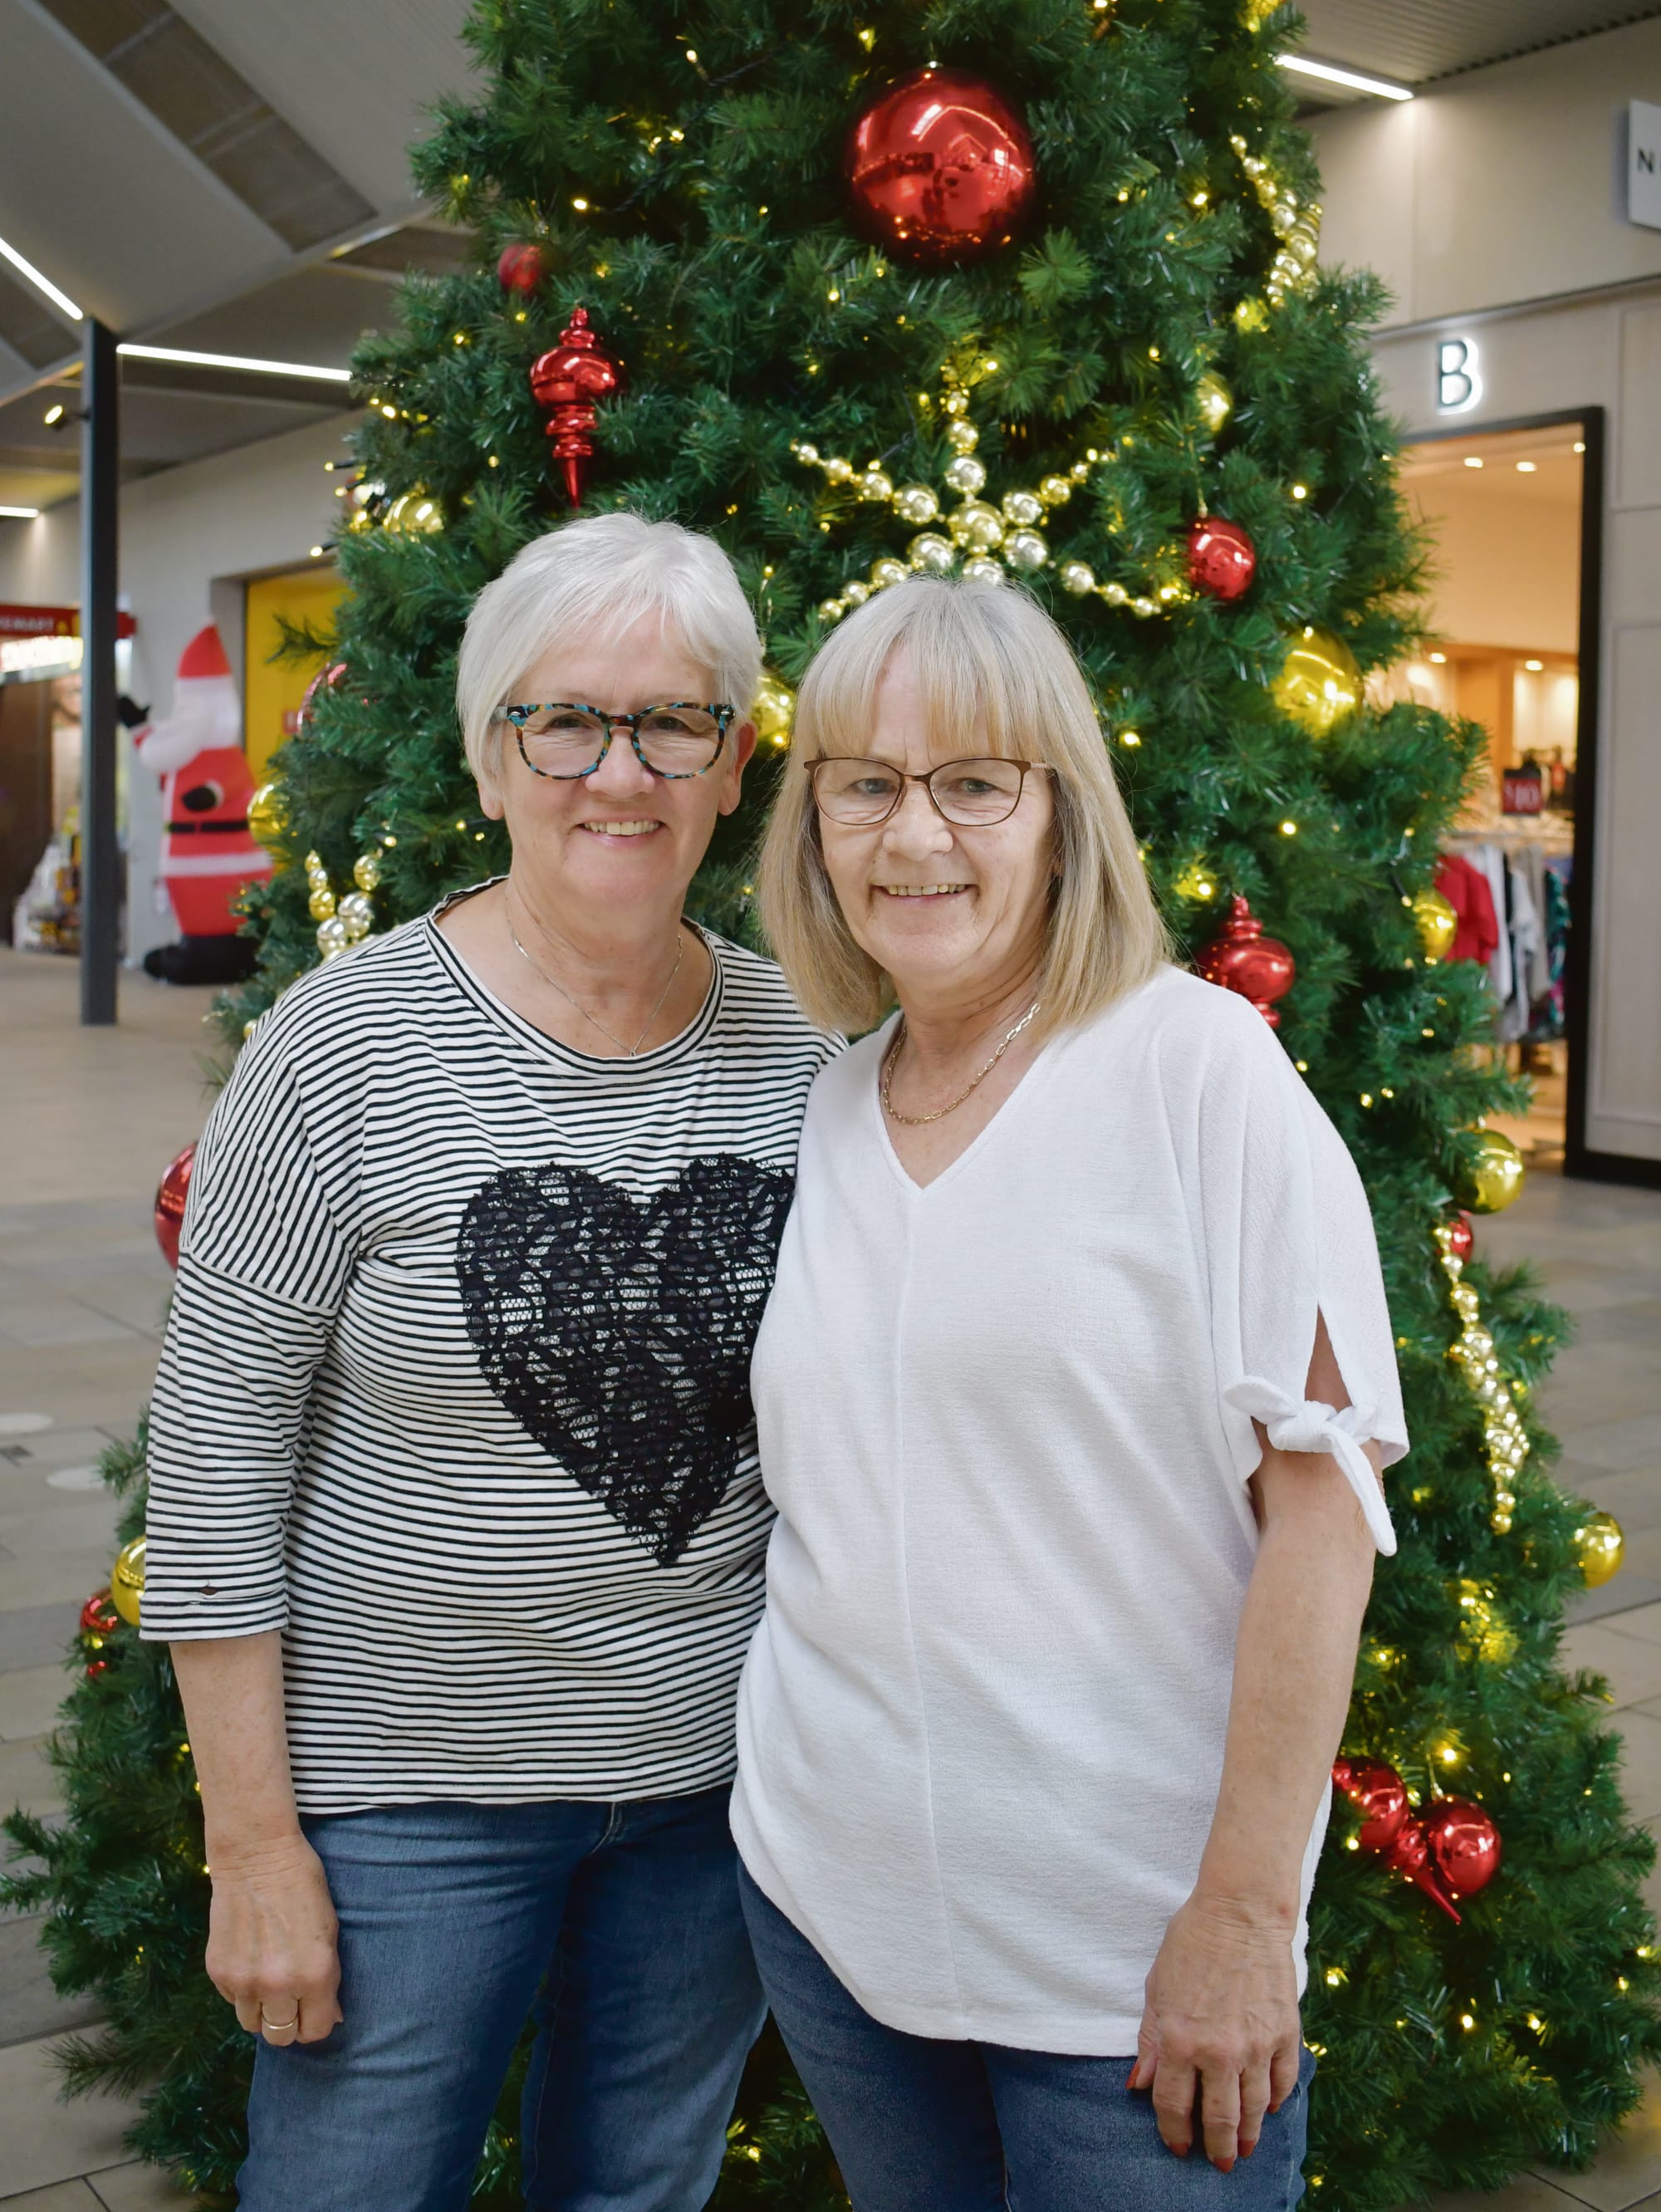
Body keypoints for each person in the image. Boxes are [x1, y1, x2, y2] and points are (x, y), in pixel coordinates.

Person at [142, 513, 840, 2212]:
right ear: (490, 754)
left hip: (706, 1792)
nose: (621, 770)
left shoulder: (806, 1049)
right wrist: (254, 1849)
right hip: (402, 1810)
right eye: (566, 719)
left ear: (736, 758)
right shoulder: (343, 1042)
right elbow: (217, 1450)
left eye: (675, 719)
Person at [734, 575, 1407, 2211]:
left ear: (1059, 812)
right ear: (810, 816)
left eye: (975, 782)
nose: (916, 837)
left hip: (1132, 1974)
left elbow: (1322, 1517)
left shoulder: (1195, 1074)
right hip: (835, 1919)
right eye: (865, 784)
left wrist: (1245, 1916)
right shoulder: (830, 1104)